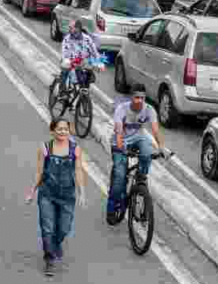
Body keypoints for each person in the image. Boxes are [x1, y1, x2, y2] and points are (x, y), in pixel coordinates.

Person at [26, 119, 88, 275]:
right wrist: (32, 191)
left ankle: (55, 244)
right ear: (52, 131)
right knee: (47, 228)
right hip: (47, 194)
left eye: (65, 129)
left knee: (64, 228)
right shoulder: (45, 148)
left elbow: (78, 171)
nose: (62, 132)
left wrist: (82, 192)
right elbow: (39, 171)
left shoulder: (76, 149)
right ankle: (49, 259)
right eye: (59, 129)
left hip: (67, 196)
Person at [106, 83, 166, 224]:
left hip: (138, 138)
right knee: (120, 177)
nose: (139, 100)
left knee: (148, 152)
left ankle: (141, 176)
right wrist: (121, 147)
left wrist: (161, 147)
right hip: (120, 142)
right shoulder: (121, 109)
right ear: (131, 97)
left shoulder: (149, 110)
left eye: (142, 98)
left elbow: (156, 130)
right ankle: (112, 204)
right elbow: (119, 130)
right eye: (136, 97)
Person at [59, 19, 102, 89]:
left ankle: (84, 94)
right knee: (65, 70)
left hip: (83, 65)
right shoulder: (67, 39)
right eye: (69, 28)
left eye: (71, 28)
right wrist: (68, 61)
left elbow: (94, 52)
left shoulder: (87, 39)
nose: (70, 30)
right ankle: (62, 91)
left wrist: (99, 62)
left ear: (78, 29)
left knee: (87, 79)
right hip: (70, 64)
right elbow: (64, 53)